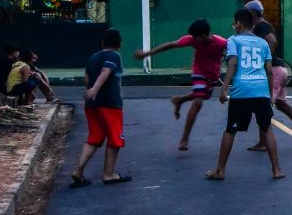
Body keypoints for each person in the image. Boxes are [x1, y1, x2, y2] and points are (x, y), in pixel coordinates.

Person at [205, 8, 283, 181]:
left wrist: (224, 88)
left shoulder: (233, 41)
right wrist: (270, 95)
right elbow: (269, 71)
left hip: (242, 91)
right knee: (266, 128)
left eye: (234, 23)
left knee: (230, 130)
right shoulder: (263, 43)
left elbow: (232, 64)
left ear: (238, 24)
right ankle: (276, 169)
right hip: (261, 90)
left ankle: (220, 170)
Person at [134, 19, 227, 150]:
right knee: (198, 102)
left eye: (196, 37)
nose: (194, 40)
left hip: (212, 74)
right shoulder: (193, 40)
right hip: (199, 72)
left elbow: (234, 51)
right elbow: (170, 45)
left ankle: (179, 100)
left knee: (203, 95)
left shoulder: (221, 42)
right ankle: (184, 139)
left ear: (205, 35)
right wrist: (147, 54)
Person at [244, 0, 292, 150]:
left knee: (262, 106)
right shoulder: (262, 25)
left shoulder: (261, 26)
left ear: (253, 13)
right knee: (281, 104)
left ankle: (264, 142)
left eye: (246, 11)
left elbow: (272, 41)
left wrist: (264, 60)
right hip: (279, 70)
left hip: (273, 71)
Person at [69, 28, 130, 187]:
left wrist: (91, 91)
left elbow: (87, 78)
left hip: (92, 104)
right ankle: (109, 174)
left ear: (102, 42)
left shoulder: (92, 57)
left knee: (94, 138)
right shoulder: (114, 55)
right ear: (120, 44)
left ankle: (78, 171)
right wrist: (96, 88)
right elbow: (106, 70)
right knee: (115, 138)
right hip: (109, 103)